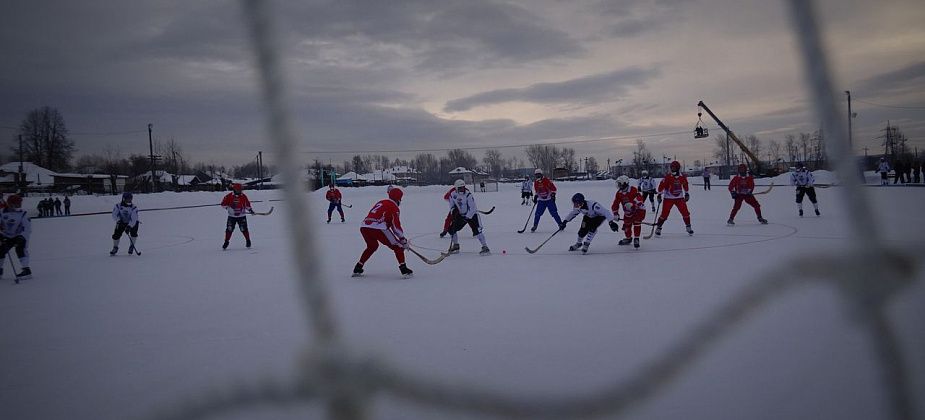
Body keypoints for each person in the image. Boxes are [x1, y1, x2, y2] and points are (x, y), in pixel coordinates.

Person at [352, 187, 413, 277]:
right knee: (398, 246)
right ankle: (404, 270)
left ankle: (358, 267)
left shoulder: (381, 202)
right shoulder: (394, 207)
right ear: (398, 199)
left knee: (372, 246)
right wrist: (402, 240)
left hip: (364, 226)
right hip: (378, 227)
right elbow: (395, 226)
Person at [446, 180, 491, 255]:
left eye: (463, 187)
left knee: (477, 231)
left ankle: (485, 247)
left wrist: (467, 217)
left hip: (472, 215)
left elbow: (472, 208)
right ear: (456, 188)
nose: (462, 189)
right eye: (460, 188)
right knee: (451, 230)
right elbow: (452, 205)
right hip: (461, 215)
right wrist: (454, 211)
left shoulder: (468, 195)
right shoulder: (452, 195)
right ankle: (456, 246)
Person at [654, 161, 693, 236]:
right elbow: (661, 186)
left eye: (674, 168)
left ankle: (688, 227)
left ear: (678, 168)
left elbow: (685, 185)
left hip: (679, 198)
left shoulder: (682, 177)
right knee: (664, 214)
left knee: (685, 212)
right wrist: (659, 195)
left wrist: (687, 193)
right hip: (668, 199)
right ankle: (659, 227)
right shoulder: (668, 177)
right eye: (671, 168)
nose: (672, 169)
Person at [0, 194, 32, 281]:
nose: (18, 206)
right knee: (1, 251)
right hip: (6, 235)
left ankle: (26, 270)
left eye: (19, 204)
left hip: (18, 236)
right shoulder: (2, 212)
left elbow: (27, 228)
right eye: (16, 204)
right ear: (10, 204)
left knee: (20, 249)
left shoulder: (23, 214)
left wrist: (22, 237)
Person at [610, 176, 646, 249]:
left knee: (636, 223)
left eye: (620, 184)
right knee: (627, 225)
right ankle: (628, 238)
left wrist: (633, 203)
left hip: (638, 210)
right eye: (618, 184)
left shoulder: (633, 190)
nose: (619, 186)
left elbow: (640, 199)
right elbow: (615, 204)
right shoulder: (619, 193)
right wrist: (615, 213)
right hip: (628, 212)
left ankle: (636, 238)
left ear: (625, 183)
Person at [220, 183, 255, 249]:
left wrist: (250, 210)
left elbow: (247, 205)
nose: (239, 191)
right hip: (231, 217)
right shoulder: (229, 196)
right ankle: (226, 242)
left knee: (243, 229)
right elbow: (223, 204)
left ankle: (248, 240)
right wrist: (229, 208)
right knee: (229, 229)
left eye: (240, 189)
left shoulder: (243, 196)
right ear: (234, 189)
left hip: (241, 216)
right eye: (238, 189)